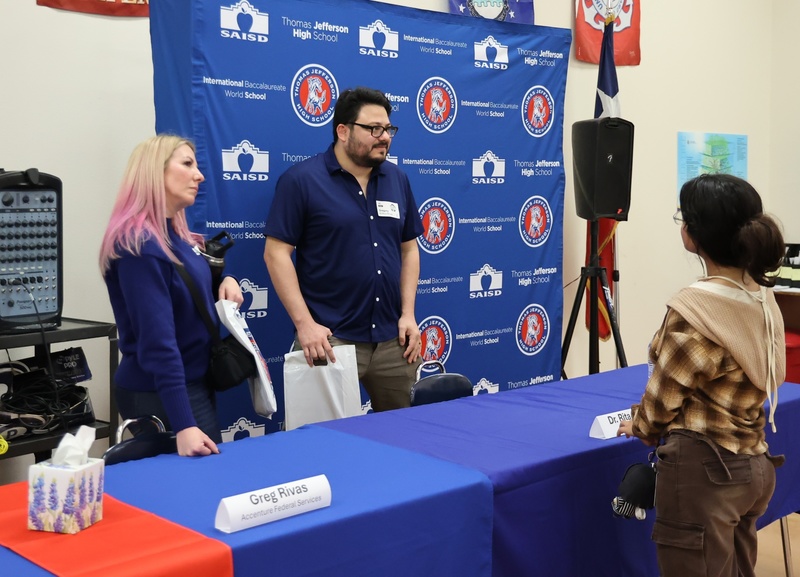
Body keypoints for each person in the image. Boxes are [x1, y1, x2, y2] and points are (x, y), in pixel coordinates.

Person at [617, 173, 786, 576]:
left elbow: (661, 402)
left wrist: (638, 424)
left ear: (692, 234)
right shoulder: (763, 298)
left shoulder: (696, 310)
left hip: (706, 474)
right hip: (754, 465)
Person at [264, 86, 423, 411]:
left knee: (404, 439)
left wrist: (408, 314)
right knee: (324, 449)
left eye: (388, 129)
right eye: (373, 129)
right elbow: (276, 253)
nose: (384, 137)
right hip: (330, 339)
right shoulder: (301, 181)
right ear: (343, 130)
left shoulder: (397, 179)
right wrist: (304, 324)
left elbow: (409, 249)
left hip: (394, 341)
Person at [99, 134, 244, 457]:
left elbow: (188, 285)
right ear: (155, 172)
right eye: (187, 164)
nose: (199, 175)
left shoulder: (176, 237)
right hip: (162, 392)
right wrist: (184, 424)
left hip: (192, 383)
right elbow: (157, 342)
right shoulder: (140, 247)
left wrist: (225, 278)